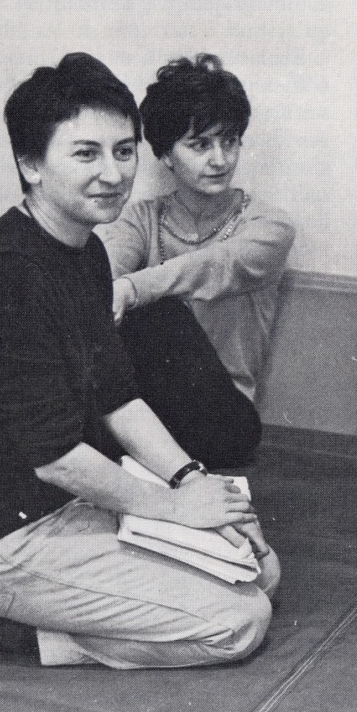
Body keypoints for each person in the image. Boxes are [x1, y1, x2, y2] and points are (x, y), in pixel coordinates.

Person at [0, 53, 280, 668]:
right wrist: (169, 507)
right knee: (239, 623)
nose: (112, 174)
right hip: (1, 535)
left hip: (68, 504)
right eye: (86, 154)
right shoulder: (5, 275)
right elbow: (54, 457)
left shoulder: (82, 251)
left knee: (261, 573)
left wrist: (191, 481)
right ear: (30, 164)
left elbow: (118, 397)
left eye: (124, 151)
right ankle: (11, 629)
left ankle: (36, 613)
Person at [96, 54, 295, 468]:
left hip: (224, 419)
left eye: (230, 141)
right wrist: (105, 291)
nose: (219, 160)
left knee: (155, 313)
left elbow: (215, 266)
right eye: (200, 144)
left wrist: (131, 290)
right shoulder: (139, 218)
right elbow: (104, 271)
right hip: (146, 414)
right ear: (166, 155)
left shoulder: (268, 227)